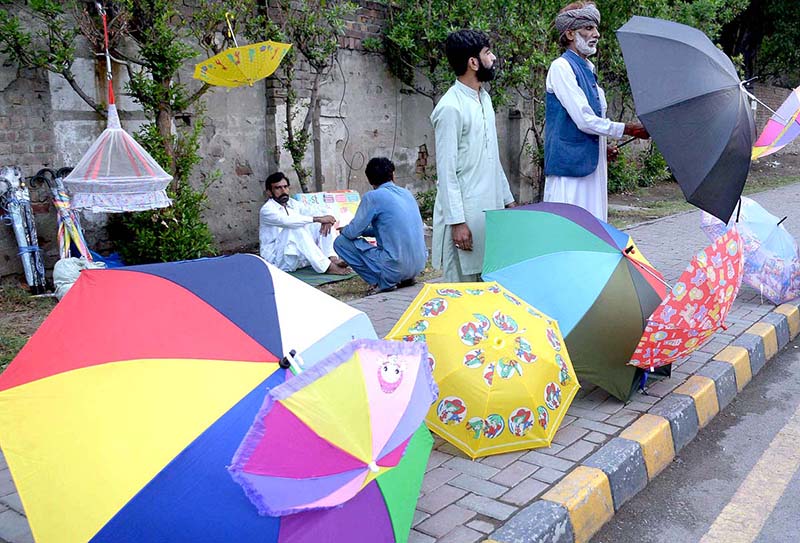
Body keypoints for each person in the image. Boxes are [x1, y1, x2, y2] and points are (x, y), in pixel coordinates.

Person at [543, 1, 649, 221]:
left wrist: (602, 147)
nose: (597, 34)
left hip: (591, 169)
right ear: (570, 34)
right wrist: (628, 128)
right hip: (569, 172)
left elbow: (590, 123)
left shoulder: (589, 69)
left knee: (593, 230)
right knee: (570, 233)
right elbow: (584, 119)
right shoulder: (561, 67)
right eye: (589, 28)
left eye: (596, 28)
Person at [431, 29, 516, 283]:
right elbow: (446, 172)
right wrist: (457, 222)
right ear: (473, 62)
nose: (493, 58)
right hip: (465, 218)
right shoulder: (449, 108)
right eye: (487, 53)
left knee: (490, 288)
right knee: (463, 297)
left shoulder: (485, 99)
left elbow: (492, 159)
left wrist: (508, 202)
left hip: (490, 213)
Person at [334, 157, 427, 294]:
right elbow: (390, 229)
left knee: (341, 242)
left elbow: (352, 232)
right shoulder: (406, 193)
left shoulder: (373, 197)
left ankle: (381, 282)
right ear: (393, 175)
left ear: (370, 180)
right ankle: (405, 278)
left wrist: (344, 230)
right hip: (418, 265)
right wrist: (365, 232)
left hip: (395, 267)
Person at [259, 172, 350, 275]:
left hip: (296, 258)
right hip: (277, 261)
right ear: (269, 192)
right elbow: (287, 221)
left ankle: (331, 257)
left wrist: (326, 218)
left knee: (323, 221)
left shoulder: (292, 204)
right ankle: (327, 267)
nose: (283, 191)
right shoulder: (267, 210)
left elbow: (316, 210)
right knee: (296, 227)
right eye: (278, 188)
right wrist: (318, 219)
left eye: (285, 187)